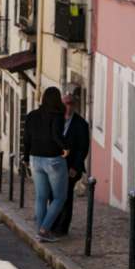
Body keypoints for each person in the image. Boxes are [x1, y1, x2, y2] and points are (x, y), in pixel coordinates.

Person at [23, 87, 69, 243]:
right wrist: (65, 147)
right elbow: (56, 135)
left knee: (41, 197)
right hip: (53, 159)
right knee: (60, 197)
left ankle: (40, 232)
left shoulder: (31, 116)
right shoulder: (57, 116)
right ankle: (44, 229)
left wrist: (25, 157)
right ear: (57, 100)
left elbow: (26, 139)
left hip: (35, 159)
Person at [52, 91, 90, 236]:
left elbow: (83, 148)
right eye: (65, 103)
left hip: (70, 167)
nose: (68, 107)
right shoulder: (55, 120)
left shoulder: (81, 124)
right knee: (53, 195)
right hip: (54, 165)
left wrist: (75, 167)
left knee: (66, 196)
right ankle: (52, 223)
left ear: (74, 105)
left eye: (70, 103)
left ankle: (62, 227)